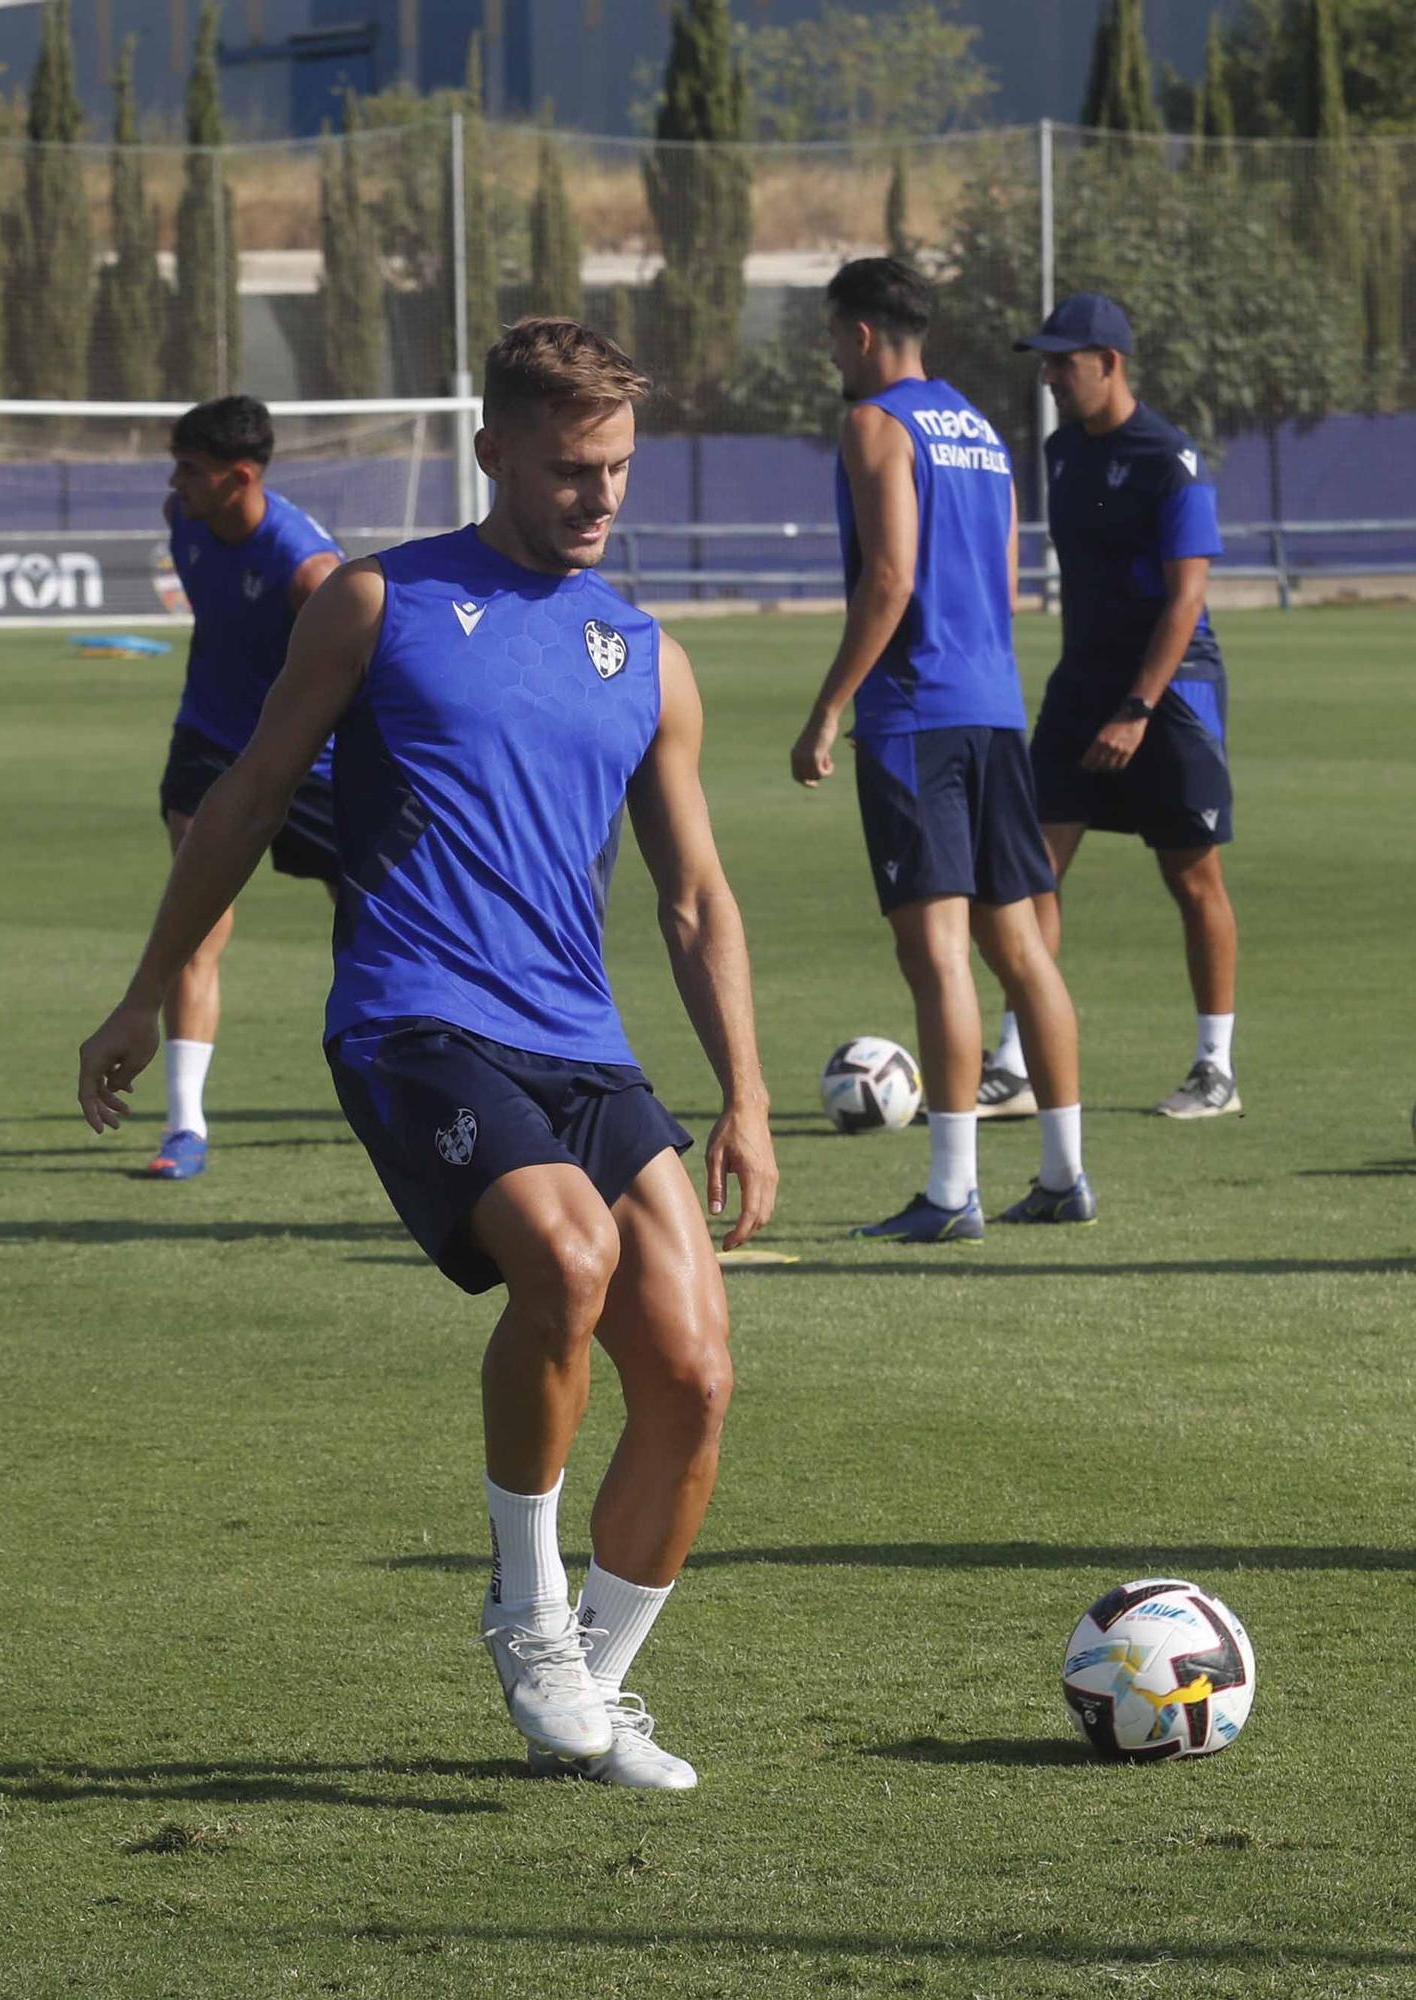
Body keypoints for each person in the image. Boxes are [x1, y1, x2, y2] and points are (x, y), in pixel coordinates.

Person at [78, 318, 778, 1792]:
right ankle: (528, 1618)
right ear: (496, 453)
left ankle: (596, 1679)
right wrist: (148, 990)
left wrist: (750, 1100)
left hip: (581, 1045)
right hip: (414, 1016)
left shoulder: (644, 655)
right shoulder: (375, 602)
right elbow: (249, 797)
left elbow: (696, 894)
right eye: (574, 470)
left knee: (700, 1378)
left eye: (620, 471)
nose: (601, 498)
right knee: (567, 1263)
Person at [790, 257, 1096, 1240]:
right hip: (995, 705)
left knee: (935, 953)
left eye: (835, 335)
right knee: (1020, 947)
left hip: (916, 714)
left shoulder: (874, 424)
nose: (833, 353)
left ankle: (953, 1188)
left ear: (865, 335)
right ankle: (1062, 1172)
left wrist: (828, 707)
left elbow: (888, 577)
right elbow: (1003, 584)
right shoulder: (984, 432)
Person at [982, 292, 1240, 1121]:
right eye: (1047, 362)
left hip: (1170, 689)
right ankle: (1017, 1064)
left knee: (1192, 876)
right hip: (1080, 685)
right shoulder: (1061, 451)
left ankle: (1215, 1069)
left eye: (1065, 362)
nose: (1052, 377)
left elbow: (1186, 597)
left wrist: (1137, 706)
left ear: (1110, 364)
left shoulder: (1171, 457)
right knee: (1033, 869)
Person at [152, 395, 343, 1180]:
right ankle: (184, 1127)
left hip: (312, 764)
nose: (175, 482)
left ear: (239, 478)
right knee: (198, 921)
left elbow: (370, 673)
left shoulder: (309, 570)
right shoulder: (183, 518)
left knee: (380, 928)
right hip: (206, 746)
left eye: (191, 470)